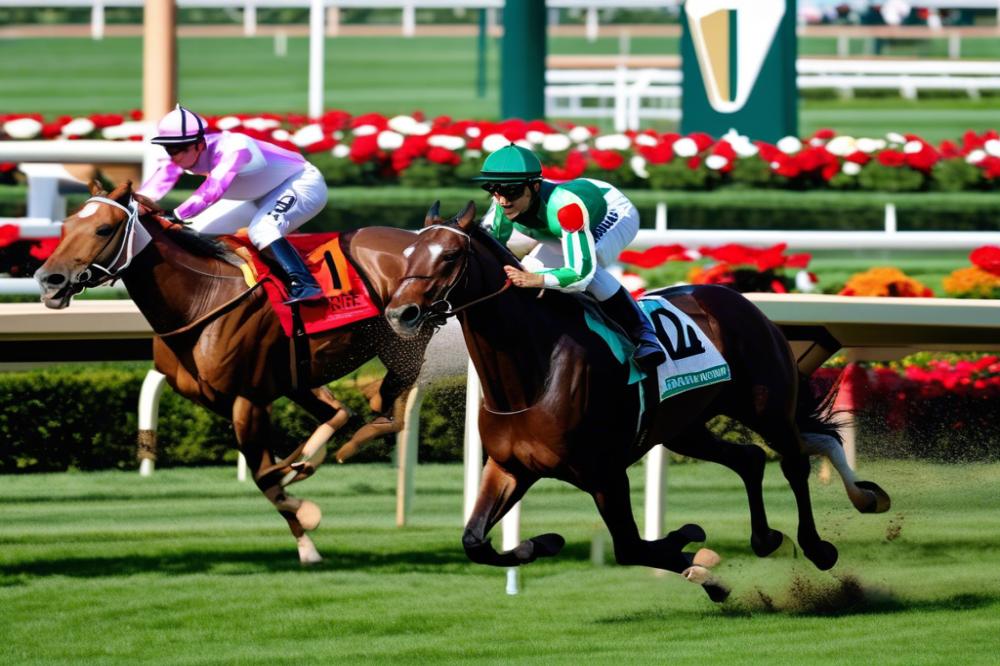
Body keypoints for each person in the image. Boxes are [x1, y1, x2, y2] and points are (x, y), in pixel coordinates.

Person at [474, 144, 666, 372]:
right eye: (493, 189)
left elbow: (580, 274)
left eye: (512, 191)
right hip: (555, 224)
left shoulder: (568, 209)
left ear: (534, 187)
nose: (503, 200)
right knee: (528, 266)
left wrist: (538, 279)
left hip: (613, 212)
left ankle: (644, 335)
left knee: (589, 267)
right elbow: (487, 250)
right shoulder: (502, 203)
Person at [137, 104, 326, 304]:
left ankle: (307, 285)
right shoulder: (184, 154)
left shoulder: (235, 147)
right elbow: (156, 184)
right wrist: (132, 204)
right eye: (169, 148)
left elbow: (214, 189)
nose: (174, 155)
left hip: (301, 183)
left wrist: (177, 214)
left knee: (263, 229)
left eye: (179, 149)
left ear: (200, 144)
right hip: (258, 197)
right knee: (198, 231)